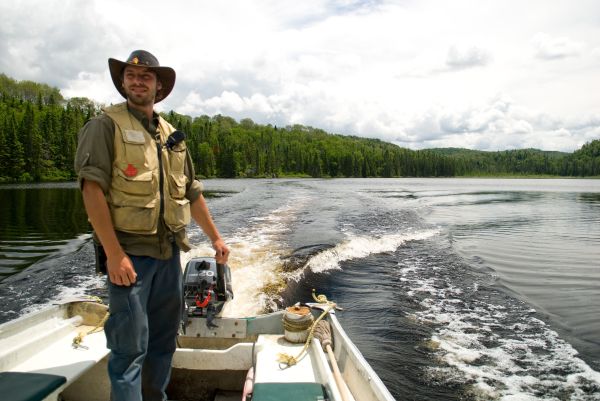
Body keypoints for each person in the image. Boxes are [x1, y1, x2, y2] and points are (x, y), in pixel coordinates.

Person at [74, 49, 230, 401]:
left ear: (159, 87)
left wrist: (216, 238)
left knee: (162, 343)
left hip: (169, 256)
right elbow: (91, 189)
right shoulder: (104, 126)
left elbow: (191, 192)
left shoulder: (172, 135)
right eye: (130, 75)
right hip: (130, 257)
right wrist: (114, 255)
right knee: (129, 350)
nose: (137, 80)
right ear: (123, 82)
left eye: (146, 76)